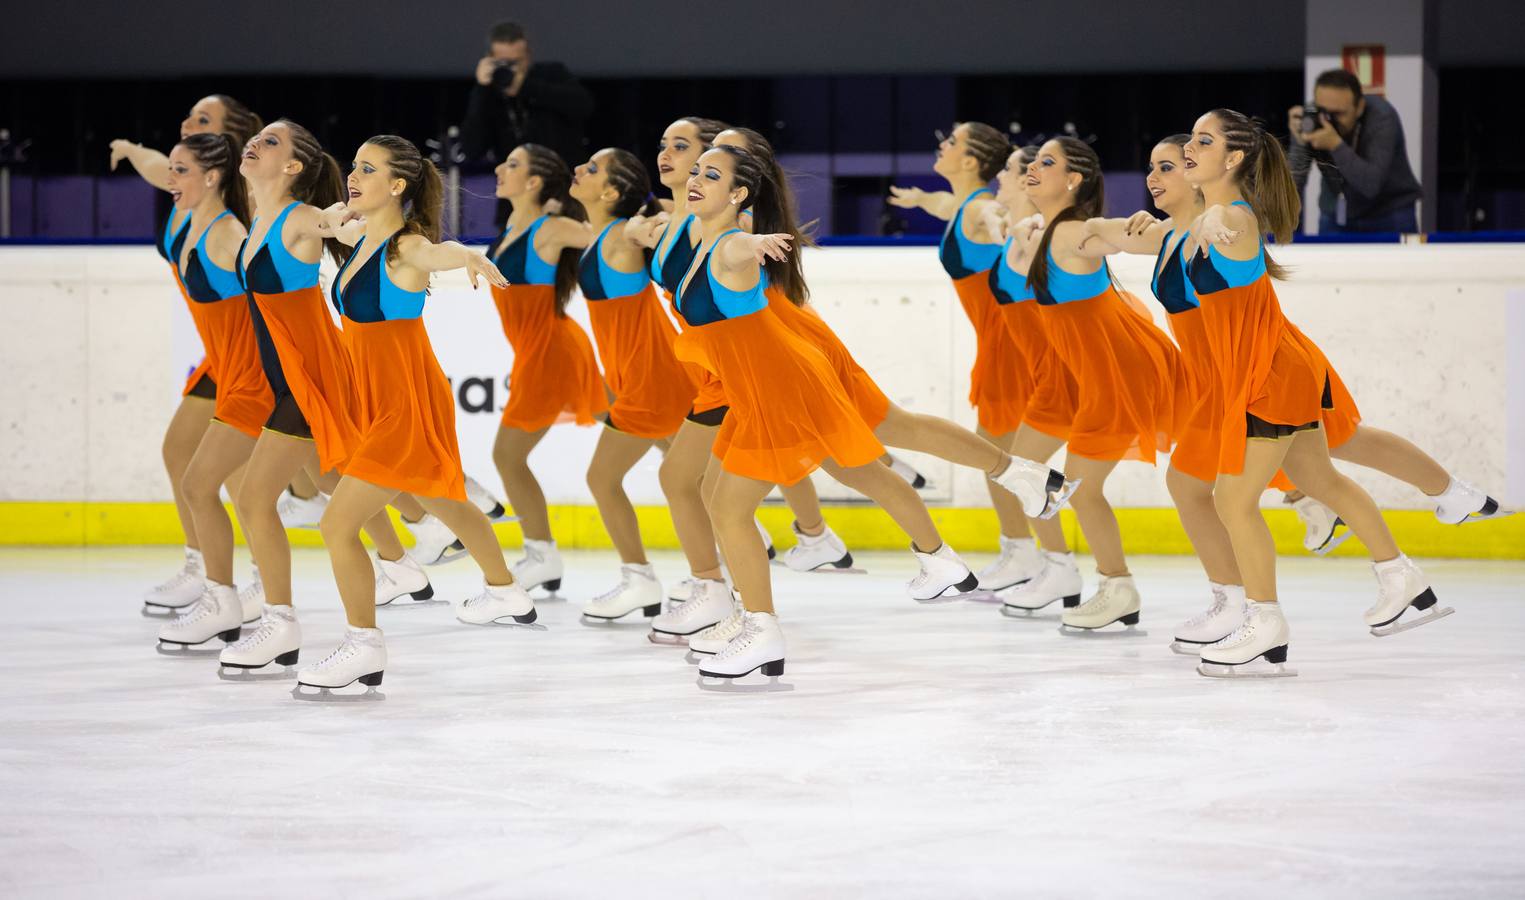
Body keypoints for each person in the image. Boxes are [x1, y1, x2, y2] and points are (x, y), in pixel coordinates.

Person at [1182, 108, 1450, 678]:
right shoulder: (1216, 212)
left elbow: (1229, 227)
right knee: (1320, 480)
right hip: (1274, 368)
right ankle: (1402, 577)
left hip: (1269, 373)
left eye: (1204, 141)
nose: (1191, 148)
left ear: (1232, 159)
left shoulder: (1234, 216)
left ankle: (1265, 624)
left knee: (1233, 500)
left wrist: (1207, 224)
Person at [299, 135, 534, 698]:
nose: (353, 176)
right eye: (353, 166)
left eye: (368, 170)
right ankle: (507, 590)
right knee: (445, 498)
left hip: (401, 404)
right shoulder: (356, 236)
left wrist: (472, 256)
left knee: (337, 524)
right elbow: (322, 224)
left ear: (398, 186)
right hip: (376, 399)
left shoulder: (406, 249)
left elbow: (440, 252)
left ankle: (364, 646)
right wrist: (323, 218)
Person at [109, 95, 268, 620]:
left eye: (203, 122)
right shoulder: (187, 195)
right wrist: (132, 148)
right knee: (184, 457)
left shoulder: (237, 209)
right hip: (218, 358)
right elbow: (161, 166)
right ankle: (207, 570)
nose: (188, 123)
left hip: (248, 361)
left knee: (312, 474)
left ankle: (403, 546)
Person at [483, 143, 608, 601]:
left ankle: (541, 555)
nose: (499, 168)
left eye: (512, 164)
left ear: (534, 182)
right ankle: (541, 555)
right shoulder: (515, 226)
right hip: (538, 350)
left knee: (508, 456)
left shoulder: (552, 228)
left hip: (551, 350)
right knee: (639, 422)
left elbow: (605, 234)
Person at [461, 20, 593, 193]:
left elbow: (585, 106)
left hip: (563, 191)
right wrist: (481, 90)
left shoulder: (551, 74)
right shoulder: (488, 94)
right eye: (504, 63)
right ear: (490, 59)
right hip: (516, 198)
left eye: (516, 62)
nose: (511, 69)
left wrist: (526, 87)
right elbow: (472, 150)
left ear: (528, 55)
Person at [1288, 68, 1422, 234]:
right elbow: (1292, 185)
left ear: (1359, 107)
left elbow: (1371, 185)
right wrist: (1299, 144)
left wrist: (1335, 144)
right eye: (1323, 111)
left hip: (1389, 212)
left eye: (1338, 114)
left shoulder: (1382, 117)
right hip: (1336, 212)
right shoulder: (1311, 117)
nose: (1328, 120)